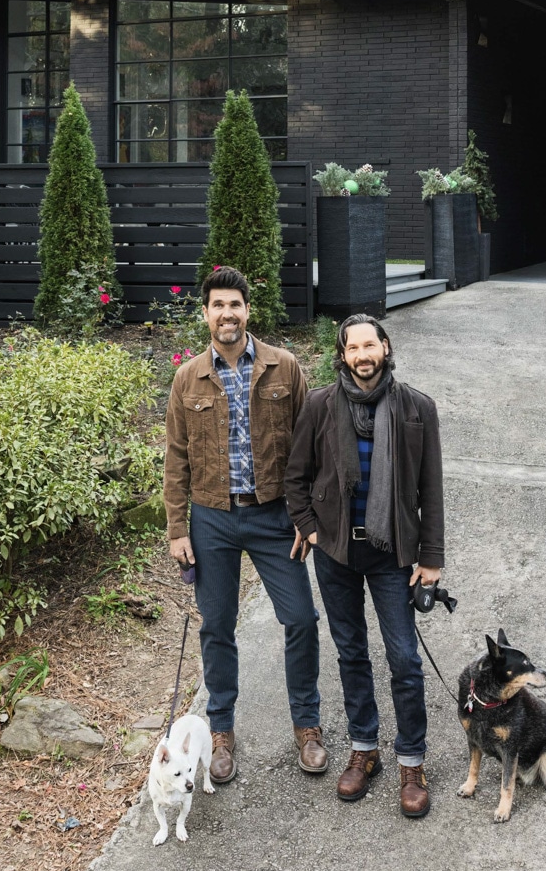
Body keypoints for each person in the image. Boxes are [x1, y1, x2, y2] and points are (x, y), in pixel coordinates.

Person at [163, 266, 326, 783]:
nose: (227, 314)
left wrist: (307, 516)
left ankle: (307, 726)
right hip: (212, 518)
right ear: (206, 313)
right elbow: (175, 458)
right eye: (218, 305)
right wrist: (177, 528)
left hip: (275, 515)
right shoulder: (188, 377)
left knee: (301, 619)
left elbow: (311, 447)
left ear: (247, 310)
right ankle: (221, 731)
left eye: (235, 305)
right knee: (216, 627)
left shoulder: (285, 367)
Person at [284, 313, 444, 818]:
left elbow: (430, 492)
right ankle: (364, 750)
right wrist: (311, 529)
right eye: (352, 349)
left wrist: (432, 559)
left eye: (369, 346)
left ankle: (411, 762)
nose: (362, 356)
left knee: (404, 660)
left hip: (392, 554)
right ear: (343, 355)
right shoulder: (319, 406)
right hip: (337, 555)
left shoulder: (418, 409)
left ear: (385, 346)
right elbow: (296, 479)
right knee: (351, 654)